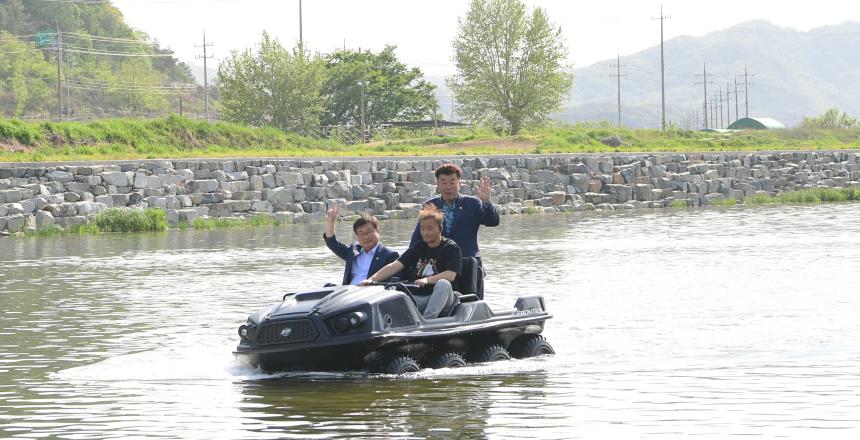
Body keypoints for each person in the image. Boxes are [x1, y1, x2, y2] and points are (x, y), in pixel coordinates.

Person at [361, 204, 462, 319]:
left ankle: (427, 322)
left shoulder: (451, 248)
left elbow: (450, 275)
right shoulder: (419, 246)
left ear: (440, 228)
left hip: (443, 298)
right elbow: (394, 266)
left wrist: (427, 280)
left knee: (443, 283)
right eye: (422, 228)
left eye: (429, 228)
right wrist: (371, 280)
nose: (425, 232)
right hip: (418, 298)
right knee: (391, 291)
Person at [410, 163, 499, 268]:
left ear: (459, 183)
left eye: (452, 182)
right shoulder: (430, 205)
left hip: (467, 263)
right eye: (443, 183)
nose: (448, 187)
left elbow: (493, 222)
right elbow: (417, 238)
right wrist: (409, 262)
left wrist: (486, 202)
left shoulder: (472, 203)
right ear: (437, 184)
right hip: (438, 264)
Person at [324, 204, 399, 286]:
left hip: (371, 292)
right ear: (357, 236)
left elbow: (393, 285)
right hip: (348, 291)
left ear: (377, 231)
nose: (366, 237)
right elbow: (332, 243)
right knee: (327, 286)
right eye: (361, 233)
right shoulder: (353, 251)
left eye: (369, 232)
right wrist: (331, 221)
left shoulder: (389, 255)